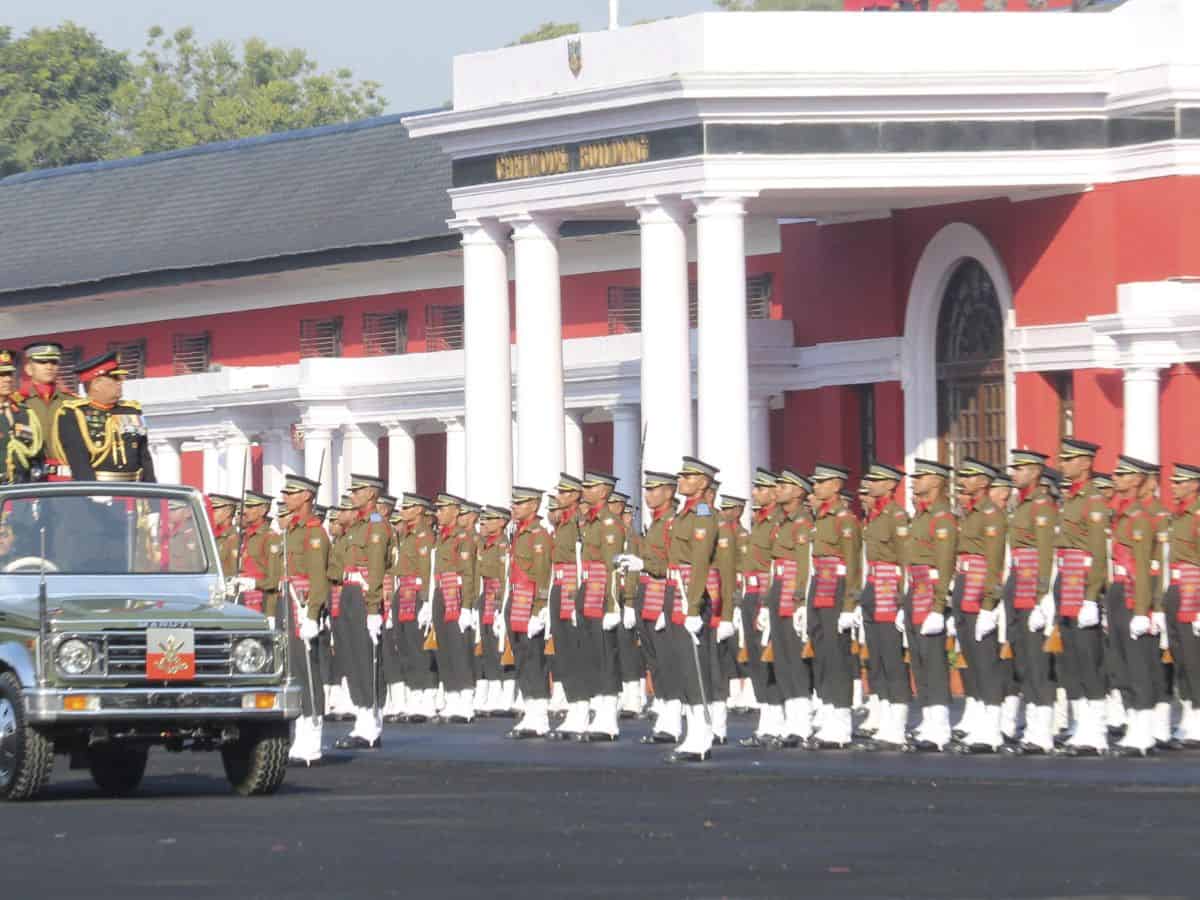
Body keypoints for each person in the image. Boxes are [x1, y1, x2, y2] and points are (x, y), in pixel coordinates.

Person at [1054, 438, 1110, 756]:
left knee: (1090, 658)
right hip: (1067, 580)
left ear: (1086, 464)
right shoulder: (1073, 499)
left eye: (1069, 460)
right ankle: (1082, 725)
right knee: (1074, 657)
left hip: (1083, 582)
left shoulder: (1093, 501)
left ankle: (1097, 729)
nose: (1063, 464)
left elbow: (1098, 553)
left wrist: (1092, 595)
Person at [618, 471, 683, 745]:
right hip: (647, 594)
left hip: (664, 595)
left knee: (668, 661)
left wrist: (644, 566)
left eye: (654, 489)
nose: (648, 494)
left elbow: (675, 565)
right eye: (646, 489)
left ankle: (674, 719)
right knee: (655, 661)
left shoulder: (672, 524)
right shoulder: (655, 523)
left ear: (669, 492)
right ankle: (665, 716)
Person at [949, 458, 1008, 754]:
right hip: (964, 585)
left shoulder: (991, 515)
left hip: (979, 589)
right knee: (972, 658)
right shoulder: (970, 513)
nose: (963, 481)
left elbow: (995, 562)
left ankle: (992, 726)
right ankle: (981, 721)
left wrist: (989, 603)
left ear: (983, 482)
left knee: (986, 660)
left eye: (969, 477)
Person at [1002, 450, 1058, 755]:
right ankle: (1033, 728)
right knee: (1024, 658)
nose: (1015, 474)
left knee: (1038, 662)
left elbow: (1046, 555)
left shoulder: (1042, 509)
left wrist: (1043, 596)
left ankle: (1043, 730)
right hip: (1018, 586)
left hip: (1032, 587)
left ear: (1036, 472)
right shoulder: (1021, 506)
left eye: (1021, 469)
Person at [665, 456, 720, 763]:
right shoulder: (684, 514)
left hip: (690, 594)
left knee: (695, 667)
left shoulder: (702, 515)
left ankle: (702, 735)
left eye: (688, 476)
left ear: (703, 483)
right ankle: (692, 731)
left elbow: (699, 562)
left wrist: (695, 607)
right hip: (678, 590)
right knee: (683, 666)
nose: (682, 480)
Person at [332, 474, 393, 751]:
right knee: (353, 657)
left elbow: (377, 569)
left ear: (370, 493)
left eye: (357, 491)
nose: (353, 496)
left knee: (367, 659)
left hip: (364, 595)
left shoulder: (376, 528)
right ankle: (362, 717)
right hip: (348, 592)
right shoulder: (356, 527)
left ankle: (370, 723)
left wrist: (373, 607)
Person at [900, 459, 956, 752]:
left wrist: (939, 606)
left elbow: (946, 564)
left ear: (936, 481)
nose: (915, 482)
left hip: (931, 591)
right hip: (915, 590)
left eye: (920, 477)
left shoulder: (942, 518)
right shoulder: (920, 517)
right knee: (920, 661)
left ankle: (941, 725)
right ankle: (928, 720)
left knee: (933, 661)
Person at [855, 463, 911, 752]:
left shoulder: (896, 515)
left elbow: (905, 560)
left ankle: (898, 724)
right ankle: (886, 719)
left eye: (877, 481)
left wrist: (903, 599)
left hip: (890, 589)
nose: (871, 485)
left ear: (890, 485)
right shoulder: (876, 516)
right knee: (877, 656)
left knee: (891, 656)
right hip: (874, 587)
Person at [806, 463, 862, 750]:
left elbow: (853, 566)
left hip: (838, 591)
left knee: (838, 658)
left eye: (821, 482)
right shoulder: (822, 518)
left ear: (836, 486)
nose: (815, 487)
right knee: (824, 655)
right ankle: (829, 711)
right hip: (820, 589)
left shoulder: (845, 520)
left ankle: (841, 722)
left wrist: (851, 604)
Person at [1107, 456, 1159, 756]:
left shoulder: (1139, 518)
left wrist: (1142, 610)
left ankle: (1144, 731)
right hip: (1117, 590)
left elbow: (1141, 567)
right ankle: (1133, 724)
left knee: (1138, 664)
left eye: (1123, 475)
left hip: (1132, 593)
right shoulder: (1122, 514)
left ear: (1137, 480)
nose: (1116, 479)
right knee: (1121, 661)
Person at [279, 474, 332, 767]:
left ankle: (313, 737)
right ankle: (300, 732)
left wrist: (312, 615)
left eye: (292, 493)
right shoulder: (292, 531)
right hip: (287, 603)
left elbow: (318, 579)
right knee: (292, 671)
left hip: (303, 607)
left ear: (307, 497)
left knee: (309, 673)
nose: (286, 497)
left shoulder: (314, 534)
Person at [764, 467, 815, 747]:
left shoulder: (802, 524)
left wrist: (801, 602)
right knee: (782, 658)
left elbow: (804, 565)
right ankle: (789, 718)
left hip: (792, 595)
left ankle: (802, 721)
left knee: (796, 660)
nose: (778, 489)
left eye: (784, 486)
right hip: (778, 592)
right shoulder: (782, 523)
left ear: (798, 492)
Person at [738, 469, 787, 747]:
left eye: (760, 488)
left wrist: (768, 602)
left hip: (766, 594)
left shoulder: (778, 523)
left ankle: (777, 718)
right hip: (751, 592)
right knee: (757, 657)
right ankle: (767, 717)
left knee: (772, 657)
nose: (755, 493)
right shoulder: (761, 522)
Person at [54, 351, 155, 482]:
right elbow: (78, 460)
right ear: (96, 384)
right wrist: (91, 490)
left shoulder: (131, 411)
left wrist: (151, 490)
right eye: (115, 378)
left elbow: (144, 457)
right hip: (98, 488)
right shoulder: (74, 413)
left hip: (133, 488)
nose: (121, 382)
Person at [421, 493, 478, 724]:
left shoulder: (462, 537)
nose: (438, 513)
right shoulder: (440, 538)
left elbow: (468, 573)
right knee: (443, 647)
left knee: (457, 647)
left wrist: (467, 606)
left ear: (456, 510)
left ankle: (465, 700)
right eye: (437, 509)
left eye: (443, 509)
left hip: (456, 593)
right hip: (440, 593)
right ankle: (452, 695)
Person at [505, 486, 554, 738]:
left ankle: (540, 714)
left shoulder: (538, 536)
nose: (514, 507)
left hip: (530, 600)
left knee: (534, 658)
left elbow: (543, 574)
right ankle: (530, 709)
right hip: (516, 598)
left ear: (533, 506)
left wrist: (540, 608)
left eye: (520, 504)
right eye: (514, 504)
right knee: (521, 656)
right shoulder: (518, 533)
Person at [386, 494, 438, 723]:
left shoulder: (424, 536)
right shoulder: (405, 535)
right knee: (405, 646)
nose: (403, 512)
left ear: (418, 510)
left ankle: (427, 696)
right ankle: (414, 695)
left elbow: (427, 570)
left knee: (419, 647)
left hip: (416, 593)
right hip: (403, 593)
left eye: (407, 508)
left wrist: (427, 602)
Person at [548, 475, 587, 739]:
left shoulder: (579, 522)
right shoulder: (562, 524)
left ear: (575, 496)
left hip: (573, 587)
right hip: (559, 585)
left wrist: (576, 597)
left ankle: (581, 709)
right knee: (563, 649)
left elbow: (583, 560)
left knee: (576, 651)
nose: (559, 497)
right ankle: (574, 707)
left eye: (564, 493)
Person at [1164, 463, 1200, 748]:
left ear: (1194, 485)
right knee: (1180, 655)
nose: (1173, 487)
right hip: (1176, 586)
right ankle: (1189, 715)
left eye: (1179, 483)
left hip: (1194, 589)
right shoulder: (1176, 517)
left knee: (1195, 657)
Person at [475, 504, 513, 717]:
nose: (486, 523)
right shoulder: (486, 544)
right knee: (488, 643)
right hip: (487, 595)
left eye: (490, 520)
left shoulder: (501, 545)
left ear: (501, 522)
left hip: (497, 595)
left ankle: (503, 691)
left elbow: (502, 576)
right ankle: (492, 687)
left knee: (500, 645)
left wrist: (500, 605)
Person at [20, 341, 68, 480]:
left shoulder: (71, 402)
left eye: (54, 362)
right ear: (29, 369)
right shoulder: (18, 402)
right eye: (42, 362)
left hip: (64, 477)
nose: (49, 366)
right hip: (29, 476)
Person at [230, 491, 282, 619]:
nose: (245, 511)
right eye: (245, 506)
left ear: (263, 510)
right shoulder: (243, 536)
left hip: (260, 604)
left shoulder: (270, 538)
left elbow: (274, 580)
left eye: (250, 507)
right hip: (241, 600)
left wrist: (253, 583)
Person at [0, 350, 41, 484]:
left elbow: (34, 452)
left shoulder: (23, 411)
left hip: (22, 490)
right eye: (2, 375)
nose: (8, 379)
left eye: (9, 374)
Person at [209, 494, 241, 578]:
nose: (210, 514)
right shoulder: (211, 534)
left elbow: (234, 572)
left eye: (215, 511)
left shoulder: (234, 539)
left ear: (228, 512)